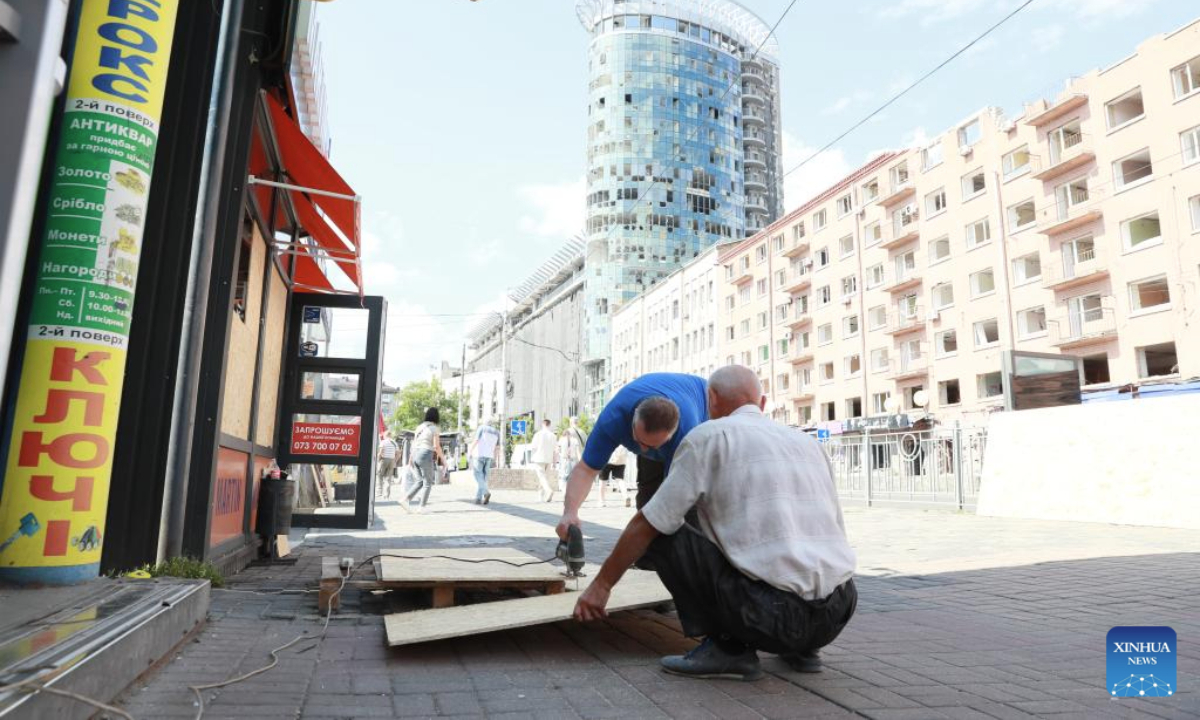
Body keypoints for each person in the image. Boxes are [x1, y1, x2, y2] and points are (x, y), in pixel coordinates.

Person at [572, 365, 857, 681]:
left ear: (711, 399)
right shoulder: (809, 444)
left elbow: (649, 522)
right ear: (761, 405)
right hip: (837, 612)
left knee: (662, 530)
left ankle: (728, 649)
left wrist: (601, 585)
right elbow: (837, 527)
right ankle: (804, 650)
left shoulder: (707, 437)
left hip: (769, 616)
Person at [555, 372, 708, 543]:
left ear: (673, 433)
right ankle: (650, 555)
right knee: (648, 499)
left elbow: (677, 494)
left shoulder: (688, 431)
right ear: (634, 418)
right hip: (659, 406)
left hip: (704, 405)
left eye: (652, 446)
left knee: (687, 512)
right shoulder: (613, 418)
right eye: (640, 441)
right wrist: (570, 512)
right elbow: (586, 470)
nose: (644, 449)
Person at [405, 407, 444, 512]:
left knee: (420, 481)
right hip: (425, 454)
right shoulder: (434, 428)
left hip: (416, 455)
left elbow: (414, 444)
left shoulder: (419, 427)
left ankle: (405, 499)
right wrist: (443, 461)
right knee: (428, 483)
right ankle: (421, 507)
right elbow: (436, 446)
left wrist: (410, 459)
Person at [469, 416, 501, 505]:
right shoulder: (497, 432)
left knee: (477, 475)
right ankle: (478, 499)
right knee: (483, 478)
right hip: (489, 457)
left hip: (479, 455)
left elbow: (476, 440)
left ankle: (486, 492)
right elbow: (497, 448)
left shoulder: (482, 428)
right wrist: (496, 460)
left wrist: (470, 451)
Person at [529, 418, 559, 503]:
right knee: (544, 478)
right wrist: (554, 462)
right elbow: (555, 450)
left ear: (543, 424)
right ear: (549, 425)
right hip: (548, 459)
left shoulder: (538, 434)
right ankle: (540, 497)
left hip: (539, 458)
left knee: (541, 477)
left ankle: (548, 490)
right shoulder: (553, 435)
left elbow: (533, 447)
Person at [556, 418, 586, 493]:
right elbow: (586, 444)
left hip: (566, 457)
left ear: (570, 423)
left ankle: (565, 490)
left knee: (565, 475)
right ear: (578, 422)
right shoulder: (582, 432)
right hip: (578, 457)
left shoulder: (568, 431)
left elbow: (559, 446)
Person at [377, 432, 399, 498]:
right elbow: (398, 453)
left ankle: (379, 492)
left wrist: (378, 460)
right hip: (392, 460)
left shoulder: (383, 442)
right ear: (390, 435)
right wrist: (395, 461)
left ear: (385, 435)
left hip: (384, 460)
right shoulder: (394, 443)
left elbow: (381, 452)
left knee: (380, 475)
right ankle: (387, 494)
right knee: (388, 478)